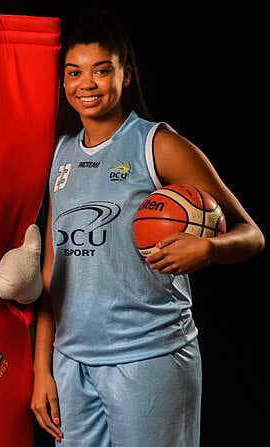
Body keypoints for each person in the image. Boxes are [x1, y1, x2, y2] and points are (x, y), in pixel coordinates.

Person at [30, 9, 264, 446]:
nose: (87, 84)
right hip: (72, 362)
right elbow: (51, 271)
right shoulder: (59, 153)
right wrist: (42, 368)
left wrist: (208, 249)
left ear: (127, 74)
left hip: (148, 356)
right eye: (74, 72)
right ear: (63, 82)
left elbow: (252, 235)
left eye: (102, 71)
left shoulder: (156, 143)